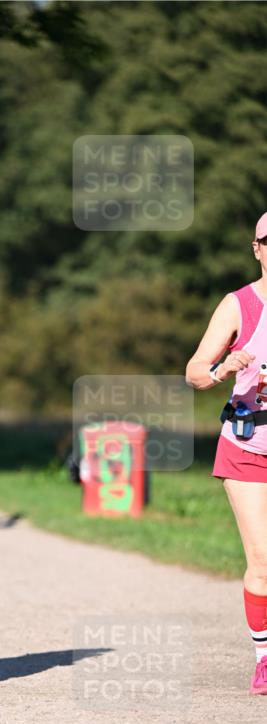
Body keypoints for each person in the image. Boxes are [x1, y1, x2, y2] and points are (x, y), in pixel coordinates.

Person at [185, 211, 267, 696]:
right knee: (263, 558)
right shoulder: (239, 305)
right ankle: (265, 659)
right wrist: (222, 368)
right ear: (257, 249)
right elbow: (194, 371)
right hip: (247, 446)